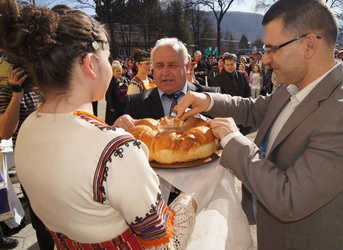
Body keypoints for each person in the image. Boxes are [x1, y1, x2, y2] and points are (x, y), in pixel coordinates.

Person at [176, 0, 343, 249]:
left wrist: (232, 140)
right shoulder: (292, 85)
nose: (267, 58)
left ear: (309, 45)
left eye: (273, 49)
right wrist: (207, 99)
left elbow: (289, 198)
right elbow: (252, 108)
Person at [0, 2, 197, 248]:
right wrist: (196, 194)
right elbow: (163, 239)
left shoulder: (28, 126)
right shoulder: (117, 151)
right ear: (89, 64)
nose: (110, 63)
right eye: (107, 57)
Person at [0, 52, 54, 249]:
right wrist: (16, 94)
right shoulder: (7, 90)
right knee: (40, 220)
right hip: (30, 166)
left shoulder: (43, 87)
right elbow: (5, 131)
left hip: (54, 159)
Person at [113, 37, 220, 126]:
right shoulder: (136, 103)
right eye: (159, 66)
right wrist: (119, 133)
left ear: (187, 67)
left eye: (172, 65)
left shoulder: (212, 97)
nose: (165, 72)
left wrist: (203, 120)